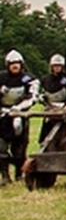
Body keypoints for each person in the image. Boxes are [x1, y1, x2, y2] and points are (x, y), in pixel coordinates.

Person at [0, 50, 39, 185]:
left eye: (17, 63)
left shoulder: (29, 79)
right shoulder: (1, 78)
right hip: (2, 115)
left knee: (19, 149)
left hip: (19, 115)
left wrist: (18, 108)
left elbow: (33, 97)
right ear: (7, 65)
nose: (15, 66)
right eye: (12, 64)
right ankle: (5, 176)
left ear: (22, 64)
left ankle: (19, 174)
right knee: (1, 147)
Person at [38, 54, 66, 143]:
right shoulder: (45, 79)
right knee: (47, 134)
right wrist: (43, 101)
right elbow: (41, 94)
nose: (57, 68)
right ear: (51, 67)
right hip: (50, 109)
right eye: (55, 66)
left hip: (65, 109)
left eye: (59, 66)